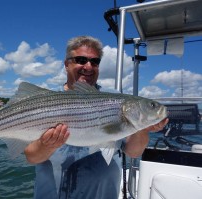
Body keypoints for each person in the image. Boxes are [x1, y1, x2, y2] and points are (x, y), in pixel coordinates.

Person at [24, 36, 168, 199]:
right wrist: (47, 145)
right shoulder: (45, 101)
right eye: (81, 60)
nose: (88, 66)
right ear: (66, 64)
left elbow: (134, 152)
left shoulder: (116, 98)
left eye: (95, 62)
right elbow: (32, 157)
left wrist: (143, 128)